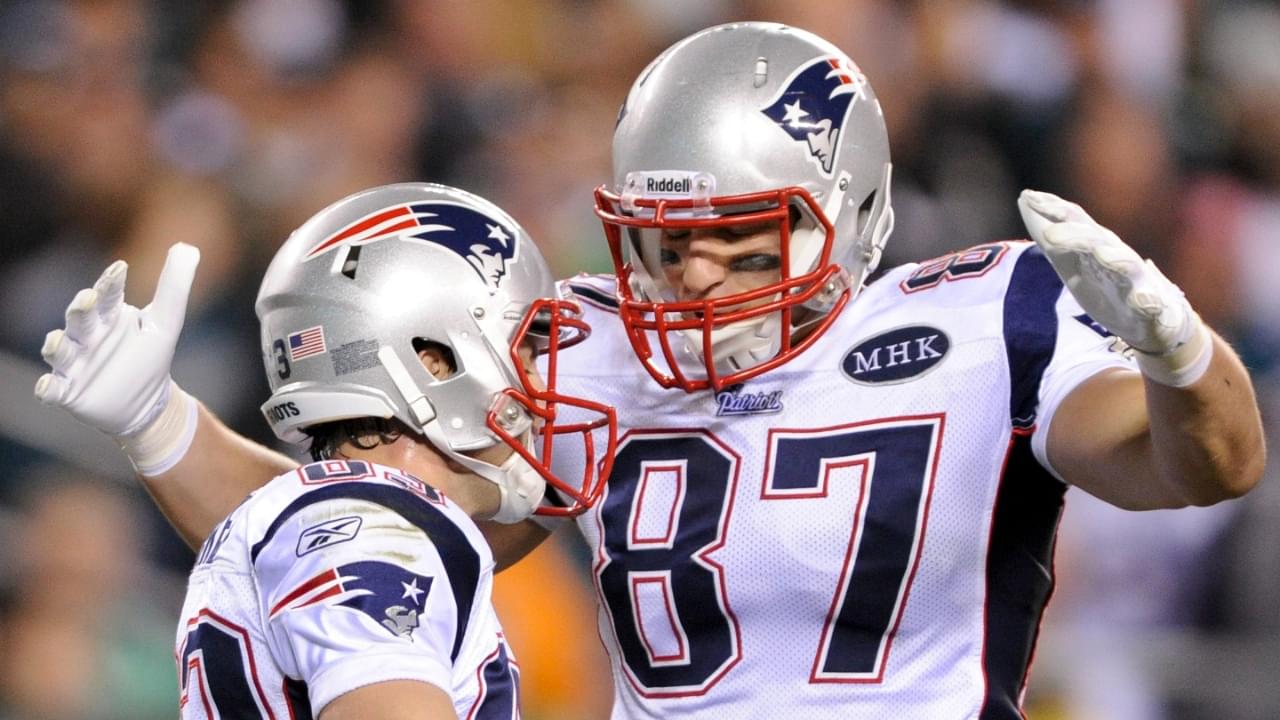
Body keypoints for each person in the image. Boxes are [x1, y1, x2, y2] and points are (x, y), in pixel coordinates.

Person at [37, 22, 1265, 719]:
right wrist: (158, 423)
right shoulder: (594, 347)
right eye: (667, 246)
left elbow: (1201, 466)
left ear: (855, 215)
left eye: (742, 240)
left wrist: (1179, 357)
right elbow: (356, 550)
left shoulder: (987, 314)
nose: (696, 282)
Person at [38, 182, 617, 718]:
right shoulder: (379, 536)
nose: (547, 386)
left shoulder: (327, 517)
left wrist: (158, 421)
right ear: (433, 362)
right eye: (528, 349)